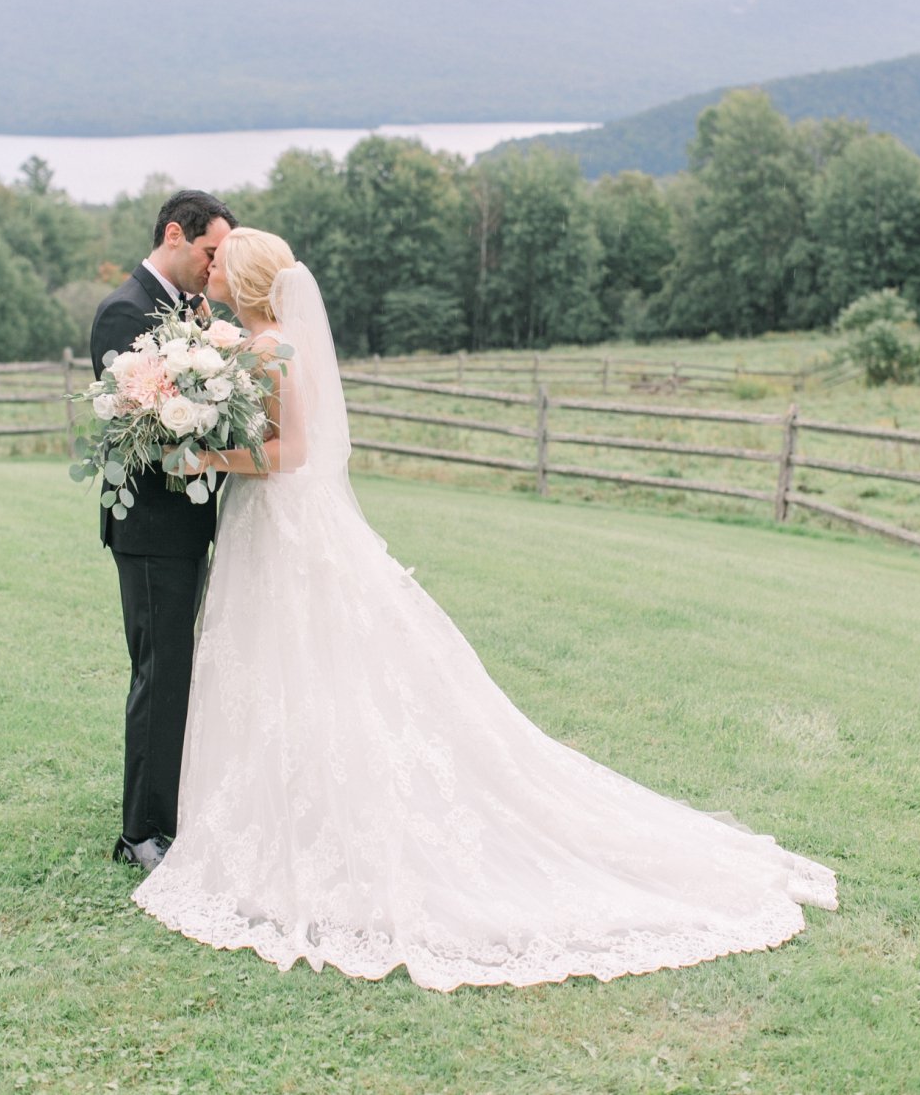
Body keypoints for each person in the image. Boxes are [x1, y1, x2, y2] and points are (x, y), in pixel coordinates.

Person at [134, 228, 837, 990]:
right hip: (265, 524)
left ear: (250, 281)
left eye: (226, 266)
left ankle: (308, 823)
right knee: (278, 665)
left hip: (282, 520)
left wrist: (205, 454)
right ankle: (274, 812)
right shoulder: (256, 343)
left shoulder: (271, 351)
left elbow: (290, 452)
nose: (218, 272)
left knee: (305, 657)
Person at [90, 189, 237, 872]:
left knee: (179, 671)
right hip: (149, 527)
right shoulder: (123, 311)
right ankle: (142, 833)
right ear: (175, 234)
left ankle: (166, 813)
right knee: (160, 672)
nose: (215, 266)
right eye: (210, 251)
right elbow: (140, 425)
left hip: (185, 526)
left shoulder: (185, 313)